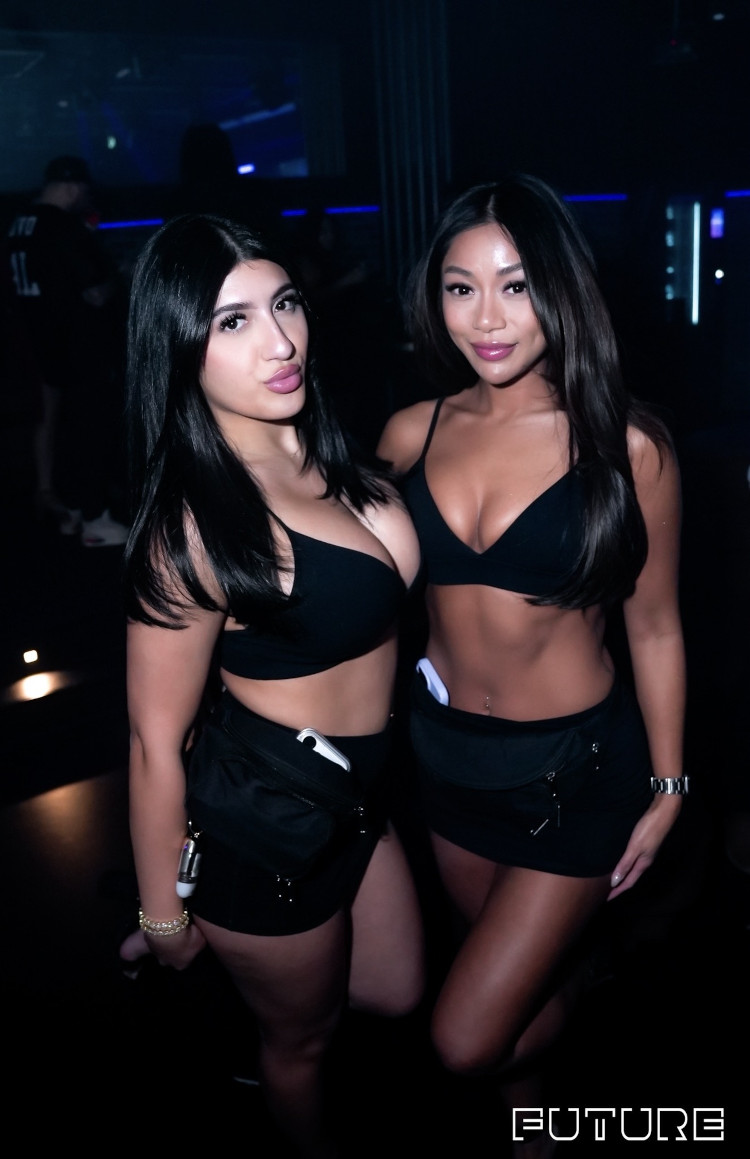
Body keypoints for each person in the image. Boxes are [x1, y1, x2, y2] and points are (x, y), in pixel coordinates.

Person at [376, 173, 687, 1157]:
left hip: (575, 774)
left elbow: (655, 628)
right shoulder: (410, 432)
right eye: (460, 287)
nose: (487, 318)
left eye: (515, 285)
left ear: (561, 287)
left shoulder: (628, 449)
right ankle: (537, 1132)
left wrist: (670, 784)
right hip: (447, 765)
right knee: (512, 1006)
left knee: (465, 1037)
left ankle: (593, 1007)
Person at [119, 212, 424, 1158]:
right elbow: (153, 740)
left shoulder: (329, 452)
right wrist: (163, 916)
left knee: (397, 991)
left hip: (357, 797)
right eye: (234, 322)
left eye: (285, 303)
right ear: (181, 348)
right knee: (303, 1043)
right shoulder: (193, 528)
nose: (281, 341)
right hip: (266, 827)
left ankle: (249, 986)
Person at [5, 154, 129, 545]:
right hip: (78, 344)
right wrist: (119, 277)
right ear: (73, 187)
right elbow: (94, 292)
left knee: (56, 425)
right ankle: (93, 515)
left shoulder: (18, 224)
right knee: (91, 426)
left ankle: (67, 504)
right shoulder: (63, 227)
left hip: (38, 342)